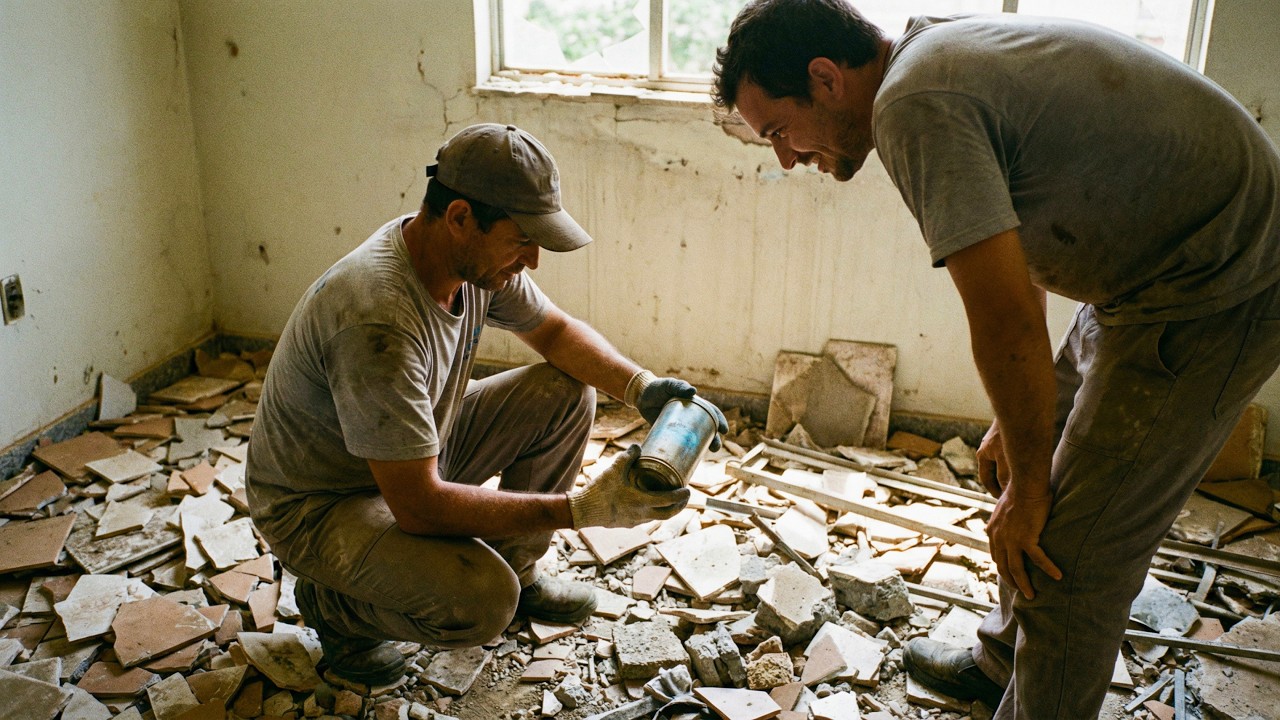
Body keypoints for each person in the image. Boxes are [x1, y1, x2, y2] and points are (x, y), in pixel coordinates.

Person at [712, 1, 1280, 717]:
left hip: (1212, 291)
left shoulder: (914, 104)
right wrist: (1020, 439)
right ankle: (1004, 661)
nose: (787, 159)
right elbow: (1027, 235)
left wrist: (1034, 485)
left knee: (1070, 559)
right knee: (1021, 470)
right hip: (1144, 274)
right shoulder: (929, 49)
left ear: (825, 78)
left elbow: (1005, 317)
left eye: (779, 131)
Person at [245, 123, 727, 687]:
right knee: (482, 602)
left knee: (565, 390)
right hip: (321, 505)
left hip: (405, 459)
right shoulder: (377, 317)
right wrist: (580, 511)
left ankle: (520, 568)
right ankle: (337, 610)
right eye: (523, 239)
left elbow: (555, 333)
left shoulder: (468, 264)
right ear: (460, 218)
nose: (534, 260)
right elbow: (419, 506)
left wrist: (642, 387)